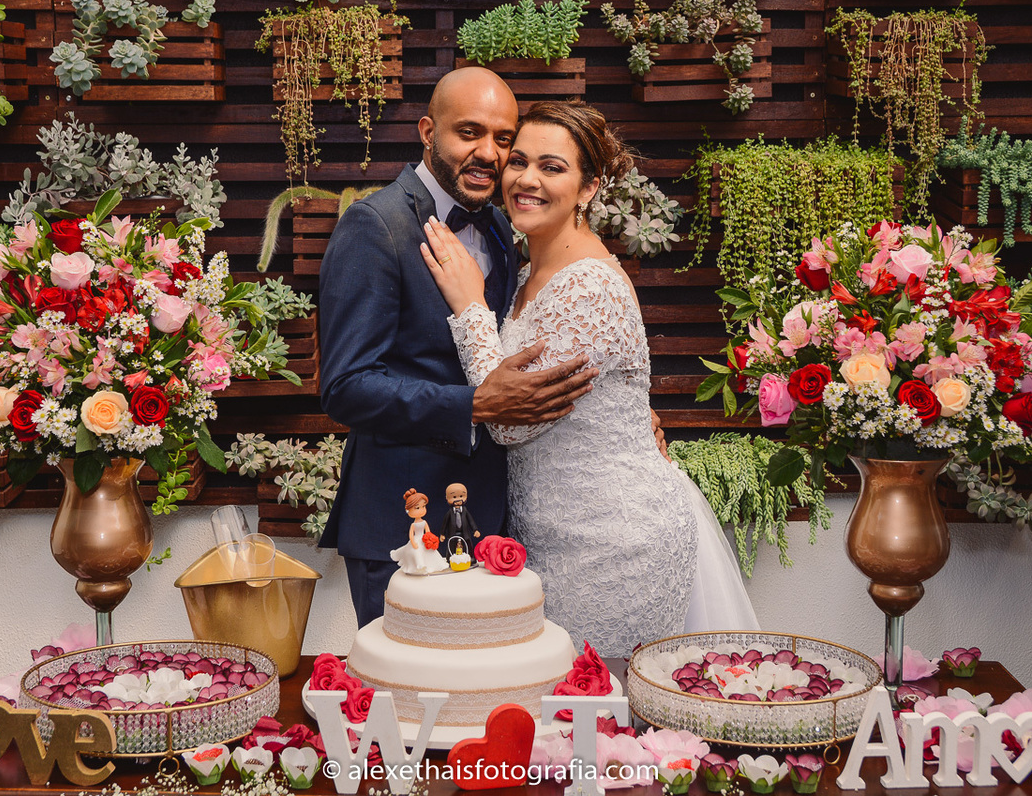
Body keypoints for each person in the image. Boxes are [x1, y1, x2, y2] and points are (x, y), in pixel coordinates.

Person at [420, 100, 759, 657]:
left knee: (605, 718)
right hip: (555, 537)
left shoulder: (586, 288)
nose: (527, 179)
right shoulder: (530, 270)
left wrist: (470, 307)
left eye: (552, 168)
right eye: (519, 162)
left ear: (588, 188)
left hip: (614, 544)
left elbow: (509, 425)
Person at [317, 68, 598, 629]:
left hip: (492, 518)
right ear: (427, 131)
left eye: (502, 139)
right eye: (469, 132)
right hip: (403, 519)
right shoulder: (375, 225)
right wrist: (472, 405)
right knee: (406, 694)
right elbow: (345, 387)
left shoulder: (501, 223)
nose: (488, 153)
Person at [390, 489, 450, 575]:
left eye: (423, 506)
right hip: (416, 540)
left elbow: (428, 531)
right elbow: (411, 534)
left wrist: (430, 538)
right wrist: (413, 543)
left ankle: (434, 565)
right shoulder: (413, 525)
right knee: (417, 552)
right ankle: (420, 565)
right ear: (408, 510)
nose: (421, 510)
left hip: (424, 540)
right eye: (417, 508)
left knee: (431, 552)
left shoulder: (424, 522)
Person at [439, 482, 481, 558]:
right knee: (451, 545)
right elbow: (445, 523)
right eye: (454, 497)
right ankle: (450, 558)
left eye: (461, 496)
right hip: (453, 533)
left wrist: (475, 530)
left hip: (464, 532)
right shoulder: (450, 513)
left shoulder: (465, 511)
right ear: (447, 498)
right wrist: (442, 534)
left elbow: (471, 521)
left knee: (468, 544)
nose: (458, 500)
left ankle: (470, 557)